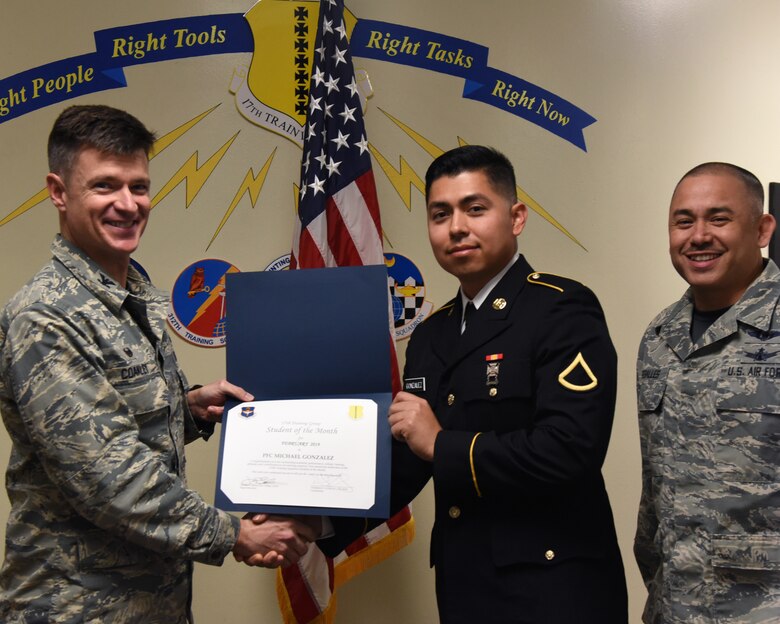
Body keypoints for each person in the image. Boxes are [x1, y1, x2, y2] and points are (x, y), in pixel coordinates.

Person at [0, 105, 315, 623]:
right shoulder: (47, 315)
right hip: (75, 606)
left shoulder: (131, 294)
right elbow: (109, 478)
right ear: (58, 191)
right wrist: (235, 533)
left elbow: (121, 424)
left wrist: (189, 408)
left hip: (153, 602)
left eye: (139, 186)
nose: (128, 205)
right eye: (105, 186)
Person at [318, 145, 627, 623]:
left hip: (554, 590)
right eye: (440, 214)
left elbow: (569, 451)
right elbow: (406, 463)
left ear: (516, 217)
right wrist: (310, 525)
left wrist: (441, 444)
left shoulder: (562, 309)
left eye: (475, 209)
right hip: (466, 587)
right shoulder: (430, 334)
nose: (456, 227)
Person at [635, 162, 780, 623]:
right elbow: (654, 495)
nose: (698, 236)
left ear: (762, 228)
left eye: (719, 218)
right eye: (684, 221)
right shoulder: (659, 337)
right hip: (672, 607)